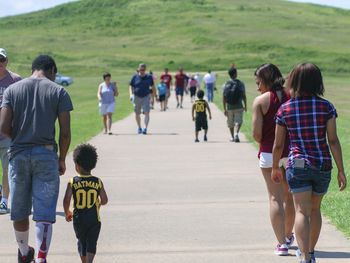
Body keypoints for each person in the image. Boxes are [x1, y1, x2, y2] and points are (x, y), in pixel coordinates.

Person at [0, 55, 73, 263]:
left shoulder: (13, 90)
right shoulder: (58, 91)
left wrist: (22, 139)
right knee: (44, 209)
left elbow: (3, 128)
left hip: (18, 155)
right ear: (51, 70)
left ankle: (24, 253)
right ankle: (41, 257)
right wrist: (61, 159)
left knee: (20, 209)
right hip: (46, 154)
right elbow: (65, 132)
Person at [272, 63, 347, 263]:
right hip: (322, 164)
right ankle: (311, 252)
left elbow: (278, 145)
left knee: (301, 211)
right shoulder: (327, 107)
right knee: (315, 210)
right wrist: (341, 170)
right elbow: (333, 140)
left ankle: (305, 257)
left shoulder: (285, 109)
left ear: (295, 81)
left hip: (297, 164)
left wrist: (274, 168)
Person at [252, 63, 295, 256]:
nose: (257, 86)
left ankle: (281, 244)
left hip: (269, 154)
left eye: (258, 82)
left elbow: (257, 135)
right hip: (292, 153)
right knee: (290, 197)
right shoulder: (292, 96)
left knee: (274, 198)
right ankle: (288, 235)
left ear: (266, 80)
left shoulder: (260, 101)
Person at [63, 144, 108, 263]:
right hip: (94, 218)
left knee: (81, 241)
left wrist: (67, 212)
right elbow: (104, 200)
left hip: (79, 218)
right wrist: (98, 203)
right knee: (92, 241)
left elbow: (66, 199)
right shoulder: (98, 181)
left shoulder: (73, 182)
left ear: (77, 165)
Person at [0, 48, 21, 214]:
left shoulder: (15, 80)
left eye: (2, 60)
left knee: (7, 168)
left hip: (8, 133)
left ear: (7, 61)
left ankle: (4, 201)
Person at [129, 63, 156, 135]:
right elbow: (131, 86)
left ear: (145, 69)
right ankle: (139, 127)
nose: (142, 71)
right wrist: (131, 94)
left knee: (147, 112)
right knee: (137, 113)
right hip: (137, 96)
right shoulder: (135, 77)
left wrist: (154, 97)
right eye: (141, 69)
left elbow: (153, 87)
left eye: (143, 70)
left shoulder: (149, 77)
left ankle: (145, 128)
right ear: (139, 69)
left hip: (146, 97)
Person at [222, 66, 247, 142]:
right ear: (235, 74)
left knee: (230, 122)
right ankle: (236, 133)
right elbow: (243, 95)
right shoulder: (240, 83)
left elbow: (224, 97)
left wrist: (224, 108)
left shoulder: (225, 84)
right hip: (239, 105)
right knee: (238, 121)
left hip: (229, 107)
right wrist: (245, 105)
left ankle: (232, 137)